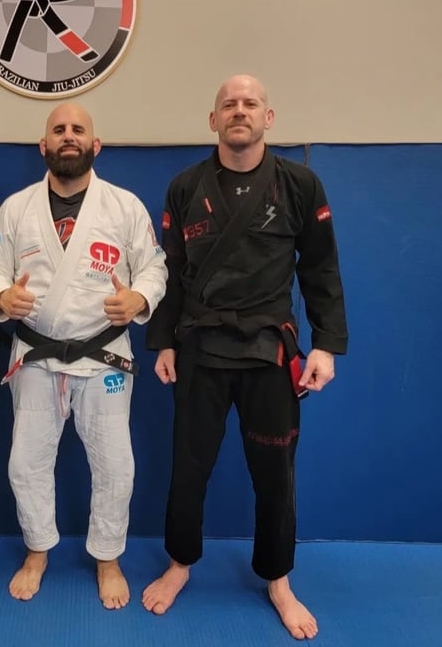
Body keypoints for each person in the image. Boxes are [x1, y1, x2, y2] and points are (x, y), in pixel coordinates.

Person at [141, 75, 348, 640]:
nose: (240, 111)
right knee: (188, 468)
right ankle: (180, 563)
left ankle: (278, 579)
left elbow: (321, 269)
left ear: (267, 117)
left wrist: (326, 344)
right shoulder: (186, 187)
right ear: (214, 120)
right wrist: (163, 340)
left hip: (269, 352)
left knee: (275, 474)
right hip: (200, 349)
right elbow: (171, 271)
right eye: (229, 104)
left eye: (250, 103)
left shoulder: (300, 184)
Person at [0, 102, 167, 609]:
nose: (69, 136)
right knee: (25, 464)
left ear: (94, 144)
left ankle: (108, 557)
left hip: (103, 357)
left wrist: (139, 298)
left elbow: (155, 267)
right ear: (43, 146)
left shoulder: (124, 206)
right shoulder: (16, 208)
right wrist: (1, 297)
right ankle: (37, 550)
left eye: (78, 129)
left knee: (116, 467)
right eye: (58, 129)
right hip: (36, 355)